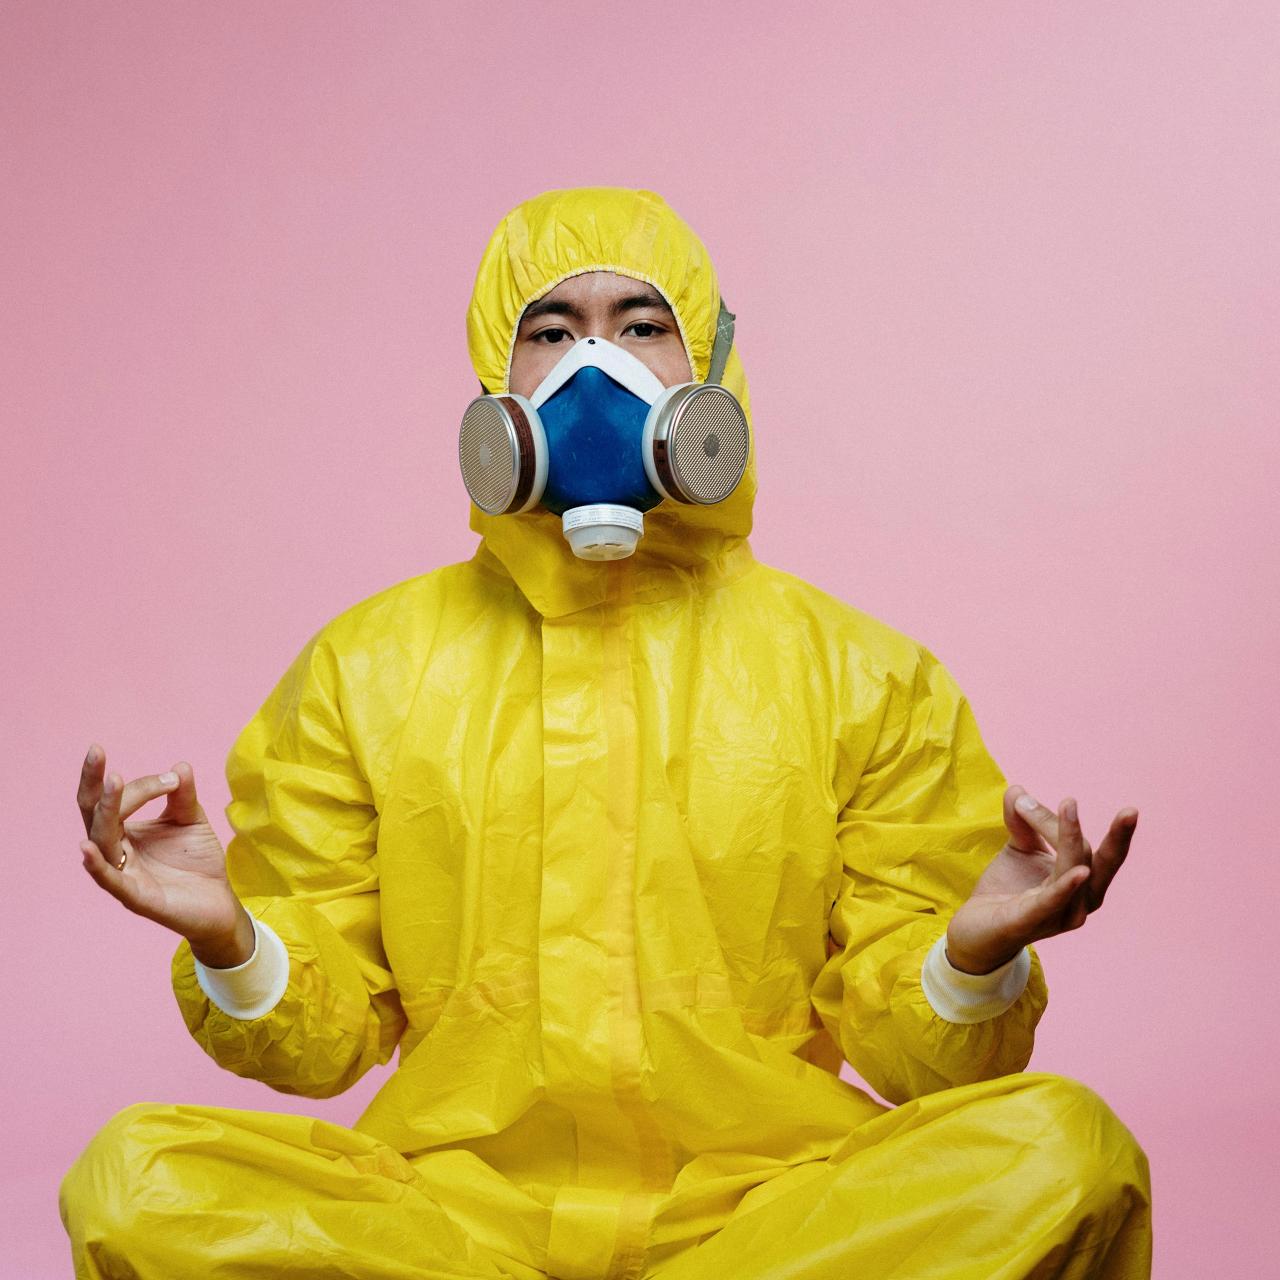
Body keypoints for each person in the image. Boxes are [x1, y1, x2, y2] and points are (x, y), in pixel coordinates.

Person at [61, 187, 1151, 1280]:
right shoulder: (366, 665)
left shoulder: (862, 674)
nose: (598, 368)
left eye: (639, 326)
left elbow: (918, 1057)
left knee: (1061, 1153)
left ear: (709, 369)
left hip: (761, 1218)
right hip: (456, 1221)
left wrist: (968, 958)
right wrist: (232, 941)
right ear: (498, 378)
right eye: (550, 332)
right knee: (135, 1182)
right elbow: (329, 1035)